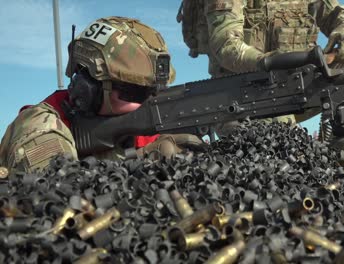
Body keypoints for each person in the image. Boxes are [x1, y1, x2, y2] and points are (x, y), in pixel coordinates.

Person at [0, 16, 204, 174]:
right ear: (87, 89)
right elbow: (63, 206)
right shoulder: (40, 129)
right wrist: (145, 159)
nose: (149, 102)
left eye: (155, 92)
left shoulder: (131, 125)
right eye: (135, 92)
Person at [178, 0, 344, 136]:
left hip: (302, 86)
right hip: (245, 96)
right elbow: (226, 47)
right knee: (280, 148)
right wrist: (270, 64)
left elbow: (340, 14)